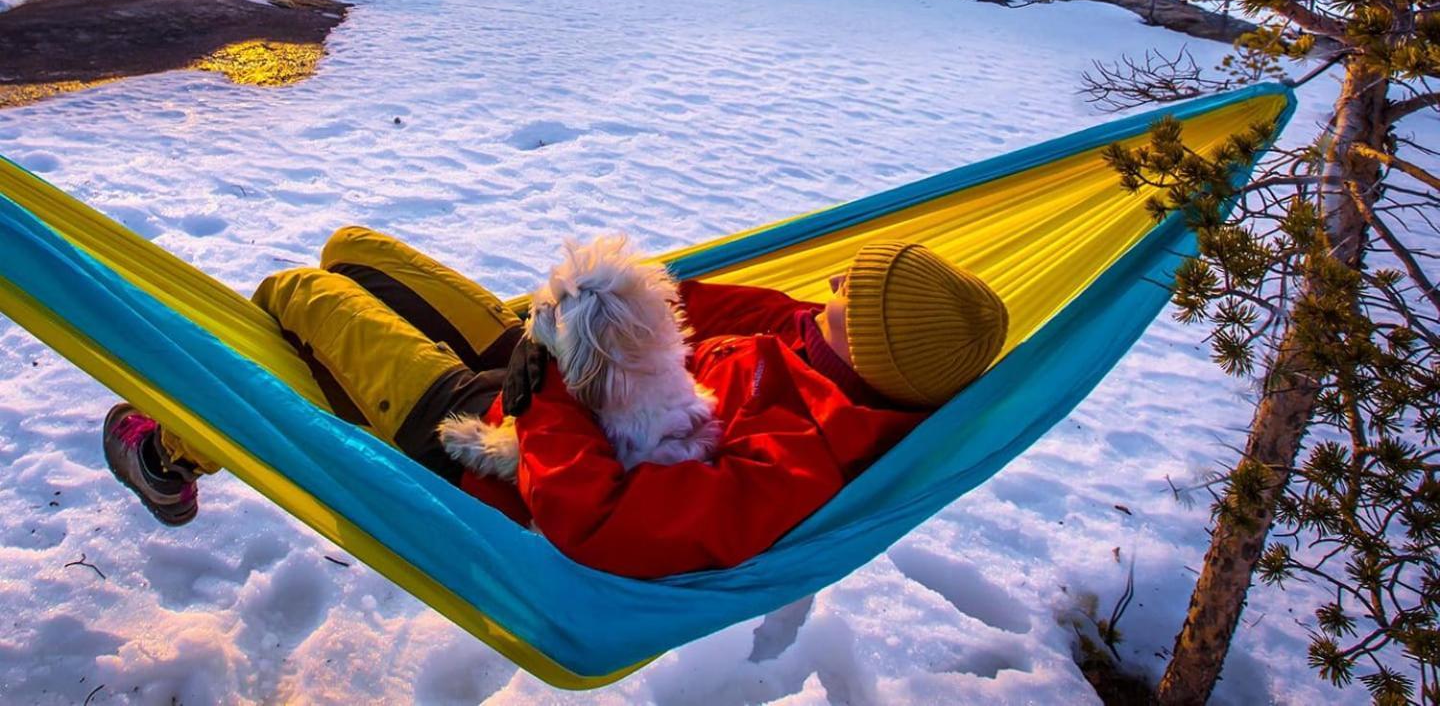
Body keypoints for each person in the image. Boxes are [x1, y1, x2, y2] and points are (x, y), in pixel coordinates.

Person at [104, 229, 1008, 576]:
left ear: (876, 348)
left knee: (299, 294)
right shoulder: (813, 333)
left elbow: (604, 522)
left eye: (857, 294)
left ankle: (169, 454)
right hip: (545, 366)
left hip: (485, 451)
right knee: (353, 253)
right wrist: (563, 325)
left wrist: (544, 397)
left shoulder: (798, 457)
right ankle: (214, 433)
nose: (835, 281)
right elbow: (684, 297)